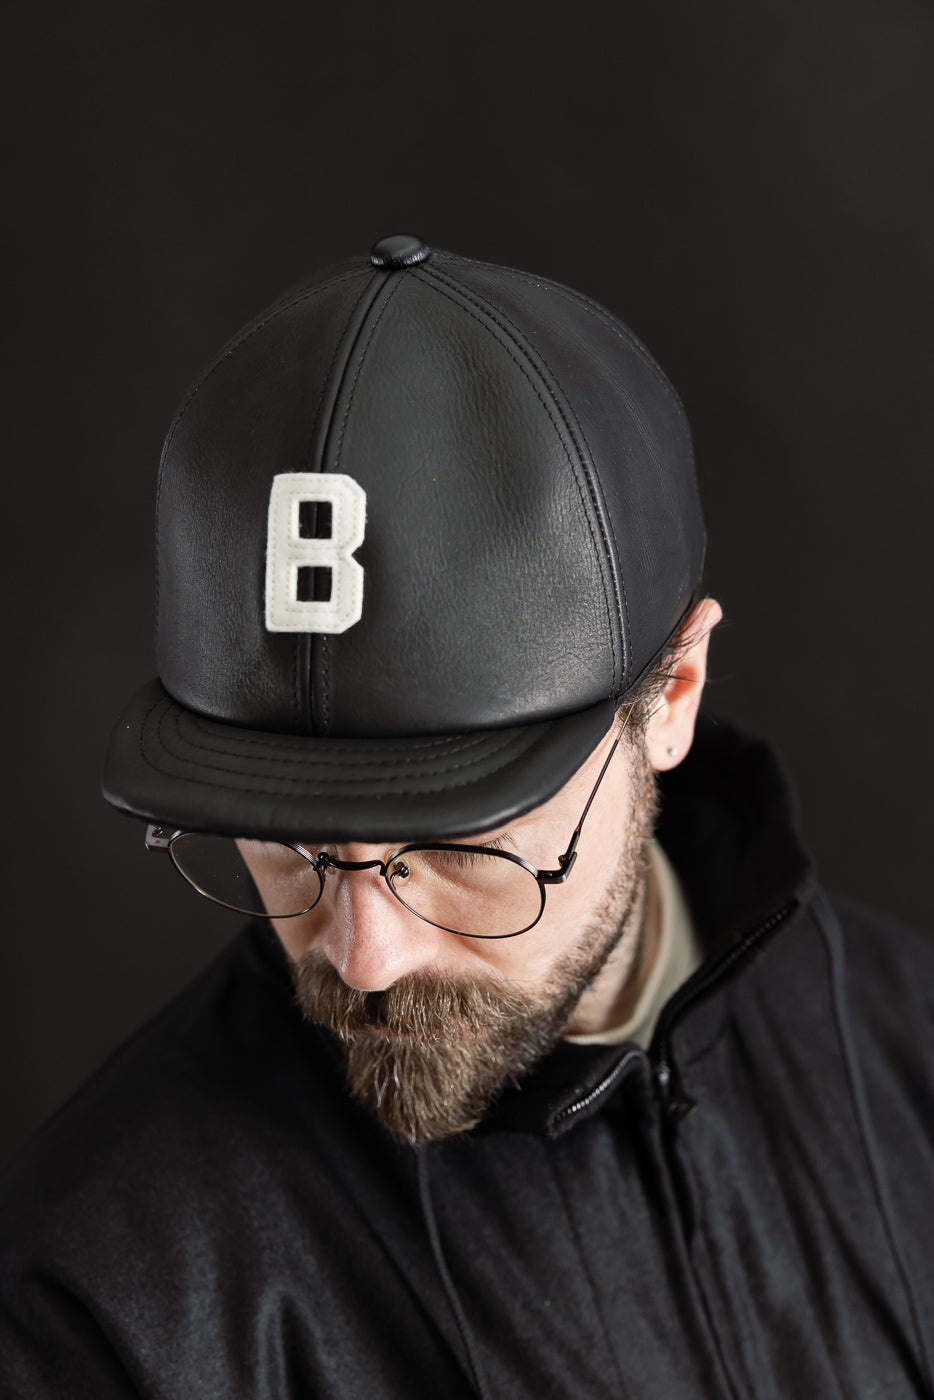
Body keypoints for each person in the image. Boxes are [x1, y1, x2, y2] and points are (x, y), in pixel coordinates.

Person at [1, 234, 931, 1399]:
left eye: (454, 842)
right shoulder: (104, 1306)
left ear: (672, 696)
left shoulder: (909, 1065)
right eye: (289, 844)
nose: (362, 952)